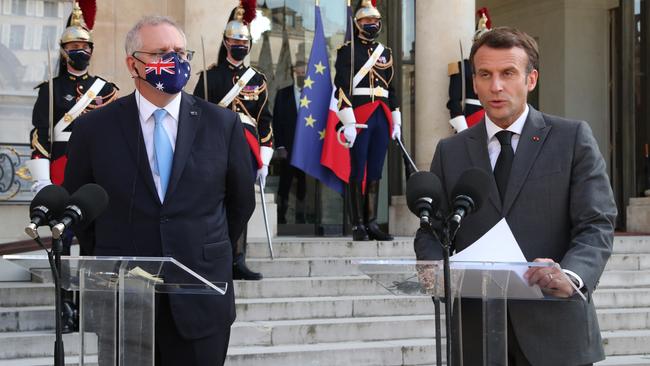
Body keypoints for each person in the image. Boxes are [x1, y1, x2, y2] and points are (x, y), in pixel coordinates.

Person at [414, 27, 617, 365]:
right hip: (475, 335)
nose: (496, 86)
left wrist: (571, 275)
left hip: (556, 331)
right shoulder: (450, 152)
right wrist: (433, 267)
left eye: (508, 73)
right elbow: (433, 227)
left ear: (531, 79)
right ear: (474, 82)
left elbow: (597, 223)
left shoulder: (572, 138)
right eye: (485, 74)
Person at [63, 16, 255, 366]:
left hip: (201, 298)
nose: (175, 61)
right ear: (132, 63)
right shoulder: (94, 129)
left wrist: (202, 244)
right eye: (162, 52)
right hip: (126, 301)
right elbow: (82, 210)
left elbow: (240, 202)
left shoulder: (222, 125)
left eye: (181, 52)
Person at [26, 1, 118, 334]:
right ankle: (66, 305)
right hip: (62, 170)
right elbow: (39, 137)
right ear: (64, 51)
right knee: (61, 245)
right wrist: (42, 182)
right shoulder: (50, 90)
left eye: (84, 46)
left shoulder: (106, 90)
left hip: (96, 178)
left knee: (94, 244)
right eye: (73, 47)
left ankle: (93, 304)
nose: (80, 51)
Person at [193, 0, 271, 280]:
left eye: (244, 41)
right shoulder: (209, 78)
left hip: (248, 148)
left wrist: (265, 157)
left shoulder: (258, 80)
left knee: (242, 203)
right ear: (226, 43)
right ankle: (218, 257)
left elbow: (264, 120)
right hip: (216, 147)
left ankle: (238, 258)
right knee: (217, 203)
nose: (240, 45)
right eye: (235, 40)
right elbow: (195, 118)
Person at [334, 0, 401, 241]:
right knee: (358, 170)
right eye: (365, 21)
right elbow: (341, 87)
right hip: (360, 114)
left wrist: (397, 120)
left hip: (382, 116)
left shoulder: (386, 53)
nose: (370, 24)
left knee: (375, 171)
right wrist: (348, 121)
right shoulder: (348, 51)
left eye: (373, 21)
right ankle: (357, 224)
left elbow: (391, 89)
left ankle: (372, 222)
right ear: (357, 23)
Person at [273, 61, 307, 224]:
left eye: (303, 74)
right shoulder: (282, 94)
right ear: (292, 74)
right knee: (284, 183)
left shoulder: (312, 95)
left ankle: (302, 216)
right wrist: (279, 146)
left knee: (303, 183)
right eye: (298, 73)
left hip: (306, 151)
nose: (300, 76)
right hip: (287, 148)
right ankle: (281, 216)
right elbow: (276, 121)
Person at [446, 7, 491, 133]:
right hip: (471, 118)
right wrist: (462, 128)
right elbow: (454, 101)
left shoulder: (497, 68)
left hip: (494, 118)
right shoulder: (461, 67)